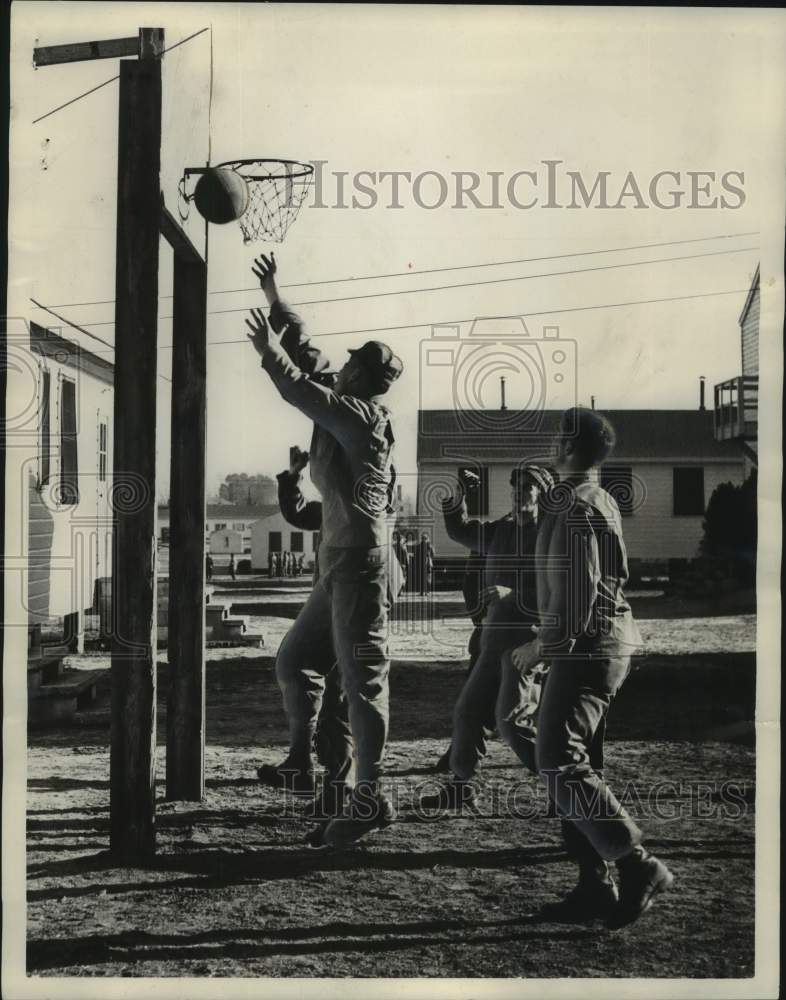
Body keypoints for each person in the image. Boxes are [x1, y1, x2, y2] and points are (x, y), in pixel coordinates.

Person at [247, 251, 404, 847]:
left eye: (350, 365)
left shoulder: (358, 418)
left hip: (363, 564)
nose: (338, 367)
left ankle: (370, 796)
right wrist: (274, 294)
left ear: (361, 378)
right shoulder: (345, 402)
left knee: (363, 682)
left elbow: (295, 382)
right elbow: (307, 354)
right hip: (339, 562)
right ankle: (305, 765)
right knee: (295, 661)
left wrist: (267, 348)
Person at [510, 407, 673, 927]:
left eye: (556, 437)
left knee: (558, 758)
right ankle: (593, 885)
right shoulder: (589, 498)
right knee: (576, 765)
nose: (551, 444)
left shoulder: (579, 506)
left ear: (566, 447)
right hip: (592, 646)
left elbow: (578, 597)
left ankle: (637, 864)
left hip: (588, 648)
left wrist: (540, 648)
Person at [423, 464, 554, 809]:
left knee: (511, 722)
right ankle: (463, 784)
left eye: (528, 486)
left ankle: (566, 784)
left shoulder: (550, 535)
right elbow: (459, 529)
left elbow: (557, 591)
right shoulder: (499, 530)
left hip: (526, 644)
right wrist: (461, 495)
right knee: (468, 710)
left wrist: (512, 593)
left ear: (542, 493)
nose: (519, 491)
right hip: (492, 641)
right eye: (514, 485)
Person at [257, 445, 354, 818]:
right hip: (332, 602)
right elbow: (298, 513)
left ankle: (338, 791)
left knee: (339, 699)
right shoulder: (335, 505)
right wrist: (294, 474)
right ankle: (306, 770)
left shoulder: (359, 502)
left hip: (349, 602)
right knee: (320, 686)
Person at [416, 532, 435, 596]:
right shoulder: (430, 546)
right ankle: (427, 592)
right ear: (428, 538)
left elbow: (416, 555)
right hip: (428, 564)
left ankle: (422, 592)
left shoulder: (419, 546)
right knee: (428, 578)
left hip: (421, 564)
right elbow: (433, 554)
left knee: (421, 578)